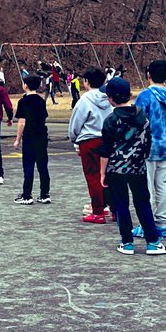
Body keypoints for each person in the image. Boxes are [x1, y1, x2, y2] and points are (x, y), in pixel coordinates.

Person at [99, 76, 166, 256]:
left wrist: (103, 173)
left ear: (111, 98)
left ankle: (127, 242)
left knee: (121, 204)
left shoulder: (111, 120)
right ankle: (153, 242)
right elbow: (148, 142)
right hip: (138, 168)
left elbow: (105, 150)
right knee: (143, 203)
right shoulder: (142, 117)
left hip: (116, 169)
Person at [134, 59, 166, 236]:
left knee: (145, 187)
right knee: (163, 185)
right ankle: (161, 223)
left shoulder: (145, 96)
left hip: (147, 147)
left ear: (148, 75)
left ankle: (146, 224)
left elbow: (137, 122)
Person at [67, 67, 112, 223]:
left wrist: (74, 139)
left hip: (89, 141)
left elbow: (75, 124)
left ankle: (98, 211)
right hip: (108, 140)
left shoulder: (84, 100)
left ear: (86, 82)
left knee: (93, 176)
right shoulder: (109, 99)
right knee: (108, 176)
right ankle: (115, 209)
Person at [12, 74, 51, 204]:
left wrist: (18, 139)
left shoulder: (23, 101)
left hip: (29, 135)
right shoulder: (41, 101)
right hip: (41, 135)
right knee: (42, 165)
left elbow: (22, 122)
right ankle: (45, 193)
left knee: (28, 165)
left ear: (26, 85)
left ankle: (27, 195)